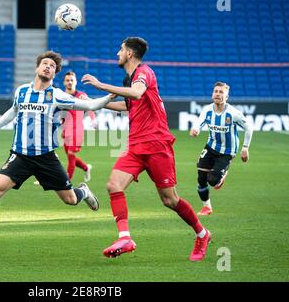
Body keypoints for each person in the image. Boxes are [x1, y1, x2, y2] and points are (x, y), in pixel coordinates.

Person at [0, 51, 114, 252]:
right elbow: (13, 110)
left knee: (70, 200)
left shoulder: (57, 95)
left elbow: (90, 104)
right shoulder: (22, 91)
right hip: (20, 155)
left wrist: (110, 95)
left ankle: (84, 191)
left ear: (54, 74)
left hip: (46, 157)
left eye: (52, 66)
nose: (48, 67)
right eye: (45, 64)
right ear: (37, 68)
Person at [81, 37, 211, 261]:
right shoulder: (128, 79)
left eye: (120, 49)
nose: (117, 53)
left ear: (130, 53)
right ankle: (125, 237)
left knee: (169, 200)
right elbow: (128, 105)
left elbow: (137, 93)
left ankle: (202, 233)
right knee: (113, 185)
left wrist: (101, 85)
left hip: (157, 144)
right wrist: (94, 103)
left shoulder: (144, 72)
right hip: (135, 146)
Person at [190, 82, 253, 215]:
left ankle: (221, 176)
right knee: (201, 178)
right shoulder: (207, 110)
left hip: (227, 151)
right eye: (216, 91)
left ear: (227, 97)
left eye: (221, 92)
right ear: (212, 94)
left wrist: (245, 148)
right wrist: (195, 129)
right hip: (211, 146)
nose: (217, 94)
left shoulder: (233, 113)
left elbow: (249, 127)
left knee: (212, 181)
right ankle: (206, 207)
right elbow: (199, 122)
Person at [61, 71, 97, 182]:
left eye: (72, 80)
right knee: (70, 157)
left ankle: (67, 182)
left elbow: (90, 106)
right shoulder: (61, 96)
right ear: (64, 82)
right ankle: (86, 168)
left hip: (77, 130)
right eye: (67, 80)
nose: (70, 82)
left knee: (71, 154)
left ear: (76, 82)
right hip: (66, 131)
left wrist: (93, 120)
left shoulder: (81, 96)